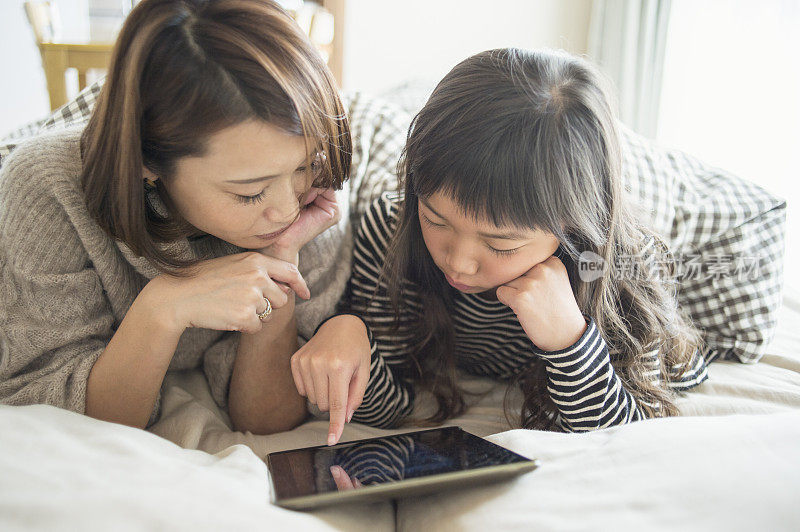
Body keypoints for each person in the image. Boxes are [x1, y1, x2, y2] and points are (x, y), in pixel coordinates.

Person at [292, 48, 712, 446]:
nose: (457, 263)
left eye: (501, 244)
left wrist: (569, 341)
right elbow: (393, 405)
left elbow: (631, 436)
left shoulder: (617, 265)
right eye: (437, 220)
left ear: (568, 226)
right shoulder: (393, 229)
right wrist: (349, 334)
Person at [0, 0, 383, 435]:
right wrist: (163, 307)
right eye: (250, 192)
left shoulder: (316, 190)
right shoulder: (47, 190)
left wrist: (281, 257)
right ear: (148, 162)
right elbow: (53, 417)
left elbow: (267, 419)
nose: (287, 208)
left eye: (301, 168)